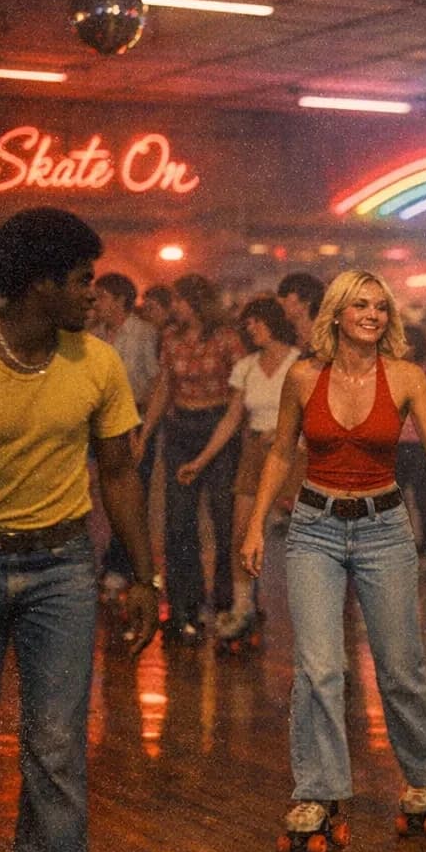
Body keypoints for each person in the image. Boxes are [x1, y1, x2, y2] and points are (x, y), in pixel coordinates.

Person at [0, 208, 159, 852]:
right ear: (38, 287)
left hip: (61, 569)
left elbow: (120, 473)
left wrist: (146, 580)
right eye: (80, 281)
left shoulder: (97, 363)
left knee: (58, 746)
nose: (92, 296)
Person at [240, 269, 426, 846]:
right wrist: (255, 526)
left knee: (400, 666)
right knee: (319, 668)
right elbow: (279, 454)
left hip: (383, 530)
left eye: (381, 306)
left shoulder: (406, 377)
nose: (373, 314)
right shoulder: (303, 377)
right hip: (314, 528)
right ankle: (318, 790)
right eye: (360, 306)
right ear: (336, 315)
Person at [176, 296, 299, 650]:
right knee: (241, 532)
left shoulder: (298, 362)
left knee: (302, 538)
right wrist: (201, 460)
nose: (252, 330)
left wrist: (292, 433)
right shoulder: (247, 365)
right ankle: (242, 607)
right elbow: (232, 418)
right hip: (255, 450)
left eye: (257, 323)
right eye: (247, 325)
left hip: (292, 453)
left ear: (273, 323)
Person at [134, 273, 246, 645]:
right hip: (181, 428)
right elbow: (165, 386)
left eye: (180, 301)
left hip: (218, 429)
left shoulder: (226, 339)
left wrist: (221, 437)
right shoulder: (170, 338)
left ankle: (228, 601)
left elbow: (238, 392)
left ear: (197, 302)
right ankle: (185, 607)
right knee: (178, 521)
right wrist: (146, 433)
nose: (175, 308)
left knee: (224, 518)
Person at [91, 272, 161, 598]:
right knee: (96, 495)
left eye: (102, 297)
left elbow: (154, 382)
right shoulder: (95, 336)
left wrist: (141, 427)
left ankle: (121, 566)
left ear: (120, 300)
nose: (96, 303)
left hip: (132, 419)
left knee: (128, 494)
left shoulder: (144, 333)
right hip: (97, 421)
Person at [396, 323, 426, 555]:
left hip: (420, 443)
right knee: (398, 497)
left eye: (409, 343)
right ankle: (403, 542)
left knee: (422, 496)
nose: (404, 348)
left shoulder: (425, 373)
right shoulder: (392, 373)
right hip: (398, 442)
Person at [276, 271, 325, 351]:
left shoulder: (326, 336)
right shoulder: (284, 338)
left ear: (307, 300)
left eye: (285, 295)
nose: (279, 301)